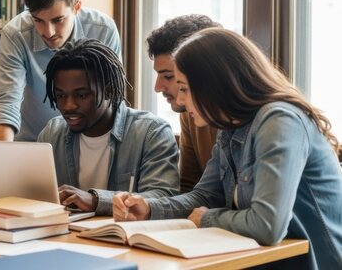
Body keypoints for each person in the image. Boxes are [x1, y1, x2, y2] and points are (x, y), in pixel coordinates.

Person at [113, 29, 342, 269]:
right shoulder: (230, 126)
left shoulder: (279, 121)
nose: (180, 101)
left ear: (215, 86)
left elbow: (267, 226)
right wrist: (150, 208)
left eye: (184, 88)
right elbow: (205, 196)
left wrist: (208, 218)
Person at [37, 38, 179, 216]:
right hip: (66, 237)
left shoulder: (151, 132)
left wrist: (97, 200)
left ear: (110, 91)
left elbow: (163, 197)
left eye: (81, 95)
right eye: (60, 95)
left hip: (124, 239)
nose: (68, 106)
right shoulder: (52, 134)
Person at [0, 0, 121, 141]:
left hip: (89, 143)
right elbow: (6, 104)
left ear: (76, 7)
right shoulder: (15, 34)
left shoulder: (103, 29)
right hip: (33, 144)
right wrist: (0, 161)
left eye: (58, 20)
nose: (48, 32)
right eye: (38, 21)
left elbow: (111, 99)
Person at [146, 14, 221, 193]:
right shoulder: (189, 112)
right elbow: (190, 188)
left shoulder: (266, 119)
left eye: (169, 77)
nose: (157, 87)